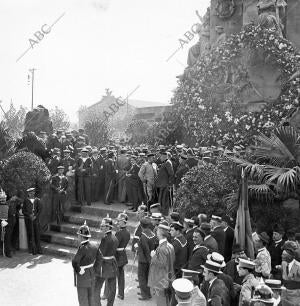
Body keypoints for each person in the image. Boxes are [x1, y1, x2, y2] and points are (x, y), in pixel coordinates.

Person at [72, 221, 100, 306]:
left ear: (81, 236)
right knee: (91, 298)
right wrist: (95, 269)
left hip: (83, 277)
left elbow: (74, 262)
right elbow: (100, 258)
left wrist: (79, 270)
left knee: (83, 300)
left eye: (78, 235)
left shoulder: (82, 248)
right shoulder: (95, 245)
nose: (78, 236)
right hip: (92, 274)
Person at [148, 221, 175, 306]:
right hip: (167, 277)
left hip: (160, 279)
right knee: (165, 301)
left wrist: (153, 256)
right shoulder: (170, 245)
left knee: (161, 302)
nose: (156, 232)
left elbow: (162, 264)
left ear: (160, 232)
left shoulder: (162, 248)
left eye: (157, 230)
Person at [94, 215, 118, 306]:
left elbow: (101, 254)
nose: (101, 227)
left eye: (103, 226)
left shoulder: (105, 239)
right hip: (112, 264)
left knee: (96, 289)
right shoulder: (115, 237)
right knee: (112, 289)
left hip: (104, 267)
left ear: (108, 227)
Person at [137, 217, 158, 301]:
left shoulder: (143, 236)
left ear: (141, 226)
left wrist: (137, 248)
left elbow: (145, 249)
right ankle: (146, 292)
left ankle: (144, 295)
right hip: (150, 259)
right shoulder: (153, 234)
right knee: (146, 277)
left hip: (143, 260)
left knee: (142, 277)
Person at [115, 211, 130, 300]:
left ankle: (108, 293)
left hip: (116, 256)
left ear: (123, 221)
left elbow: (114, 246)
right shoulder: (127, 232)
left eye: (119, 221)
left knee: (111, 276)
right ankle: (121, 294)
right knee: (121, 276)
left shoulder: (119, 233)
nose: (117, 222)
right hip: (122, 255)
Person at [22, 187, 42, 255]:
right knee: (30, 234)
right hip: (28, 220)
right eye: (30, 192)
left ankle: (39, 250)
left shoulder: (37, 200)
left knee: (37, 234)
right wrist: (29, 215)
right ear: (28, 193)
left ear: (34, 193)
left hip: (35, 220)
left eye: (33, 192)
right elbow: (23, 211)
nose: (31, 193)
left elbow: (40, 210)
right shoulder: (26, 200)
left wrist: (35, 216)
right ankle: (31, 250)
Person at [279, 241, 300, 305]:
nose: (282, 256)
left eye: (284, 255)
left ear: (290, 256)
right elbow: (283, 276)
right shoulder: (283, 263)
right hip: (284, 293)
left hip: (295, 295)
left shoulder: (298, 266)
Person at [155, 151, 174, 216]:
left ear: (163, 157)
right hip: (162, 184)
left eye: (160, 156)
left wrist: (169, 184)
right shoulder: (165, 162)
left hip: (165, 185)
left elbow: (171, 174)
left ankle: (165, 213)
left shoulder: (167, 162)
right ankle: (162, 212)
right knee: (162, 199)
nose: (159, 158)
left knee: (164, 200)